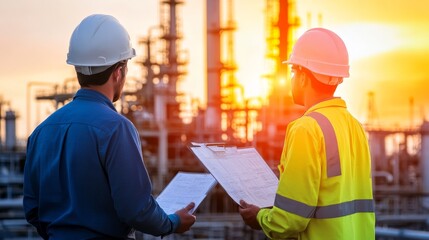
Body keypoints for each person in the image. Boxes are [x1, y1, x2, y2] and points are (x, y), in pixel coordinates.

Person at [23, 14, 196, 239]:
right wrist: (172, 222)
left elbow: (32, 209)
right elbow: (135, 209)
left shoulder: (41, 132)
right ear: (118, 72)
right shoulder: (117, 129)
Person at [239, 28, 375, 239]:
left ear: (303, 77)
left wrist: (259, 217)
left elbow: (289, 220)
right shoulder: (355, 127)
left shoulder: (306, 129)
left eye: (293, 71)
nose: (292, 78)